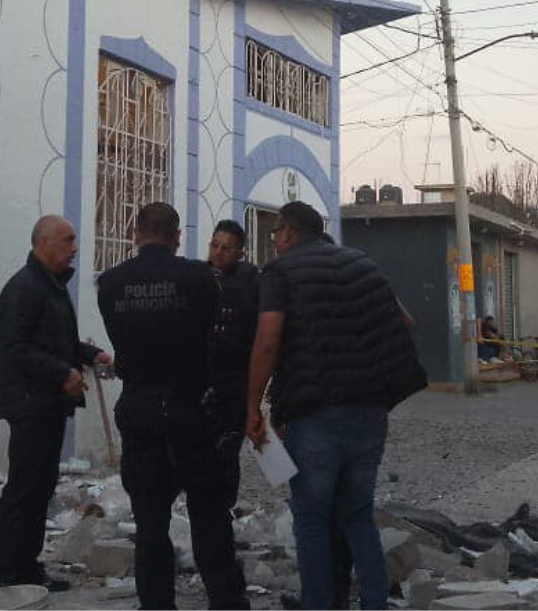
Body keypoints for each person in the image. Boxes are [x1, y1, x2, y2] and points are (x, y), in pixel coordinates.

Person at [246, 201, 427, 610]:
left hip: (316, 416)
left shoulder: (281, 272)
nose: (273, 240)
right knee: (358, 517)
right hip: (369, 412)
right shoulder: (362, 264)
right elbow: (405, 322)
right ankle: (375, 604)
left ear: (289, 233)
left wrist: (252, 408)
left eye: (275, 232)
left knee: (311, 521)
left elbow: (268, 340)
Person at [98, 203, 248, 610]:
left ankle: (157, 604)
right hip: (192, 412)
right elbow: (213, 338)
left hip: (142, 410)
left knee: (150, 523)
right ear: (177, 236)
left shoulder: (110, 283)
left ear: (134, 233)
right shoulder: (201, 278)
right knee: (209, 516)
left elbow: (122, 347)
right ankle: (227, 602)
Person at [0, 215, 113, 592]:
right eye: (68, 240)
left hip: (48, 404)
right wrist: (62, 373)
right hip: (29, 405)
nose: (75, 247)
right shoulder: (23, 289)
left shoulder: (51, 287)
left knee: (41, 487)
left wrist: (93, 355)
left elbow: (60, 344)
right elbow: (17, 349)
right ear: (44, 243)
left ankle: (26, 568)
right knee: (23, 489)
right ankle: (2, 577)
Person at [205, 219, 260, 511]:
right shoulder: (199, 276)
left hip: (235, 384)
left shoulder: (251, 281)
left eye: (227, 248)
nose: (218, 252)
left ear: (240, 252)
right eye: (215, 245)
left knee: (227, 456)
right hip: (203, 384)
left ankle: (223, 515)